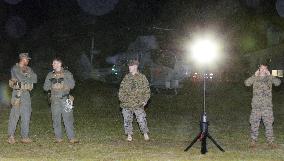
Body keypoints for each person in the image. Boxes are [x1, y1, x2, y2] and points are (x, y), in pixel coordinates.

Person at [245, 64, 281, 148]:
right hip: (256, 107)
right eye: (261, 68)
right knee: (254, 124)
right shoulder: (255, 78)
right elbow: (246, 83)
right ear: (259, 69)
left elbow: (278, 83)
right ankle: (253, 141)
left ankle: (270, 142)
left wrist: (270, 75)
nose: (263, 70)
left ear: (267, 70)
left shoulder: (269, 78)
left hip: (267, 107)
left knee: (268, 124)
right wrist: (254, 75)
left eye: (265, 69)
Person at [43, 58, 78, 143]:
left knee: (68, 118)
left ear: (60, 64)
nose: (53, 65)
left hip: (65, 98)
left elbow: (72, 85)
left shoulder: (67, 73)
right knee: (56, 119)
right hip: (55, 100)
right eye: (53, 63)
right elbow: (45, 87)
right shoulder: (50, 75)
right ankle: (58, 137)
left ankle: (71, 137)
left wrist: (63, 84)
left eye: (55, 63)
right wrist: (53, 84)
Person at [8, 53, 37, 144]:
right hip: (17, 93)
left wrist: (27, 78)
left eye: (28, 59)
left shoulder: (29, 69)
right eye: (27, 59)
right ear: (22, 59)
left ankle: (24, 136)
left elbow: (35, 79)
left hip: (26, 94)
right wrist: (28, 77)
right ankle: (11, 136)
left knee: (26, 115)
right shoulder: (15, 68)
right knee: (15, 115)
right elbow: (20, 78)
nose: (28, 61)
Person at [118, 58, 151, 141]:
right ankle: (129, 135)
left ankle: (145, 133)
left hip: (138, 103)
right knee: (127, 120)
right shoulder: (126, 78)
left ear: (135, 66)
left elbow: (147, 91)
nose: (129, 67)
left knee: (141, 119)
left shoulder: (142, 77)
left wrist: (144, 101)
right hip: (127, 103)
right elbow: (121, 90)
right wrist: (122, 99)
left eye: (131, 66)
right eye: (129, 66)